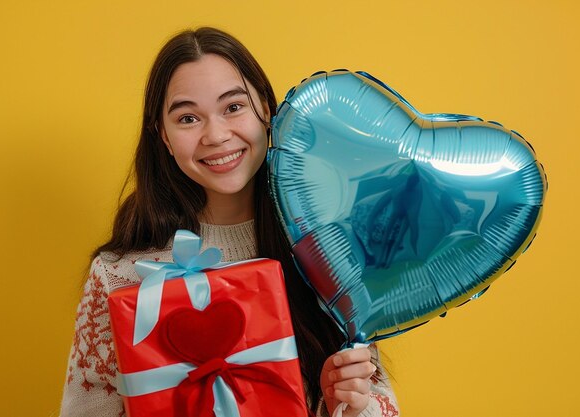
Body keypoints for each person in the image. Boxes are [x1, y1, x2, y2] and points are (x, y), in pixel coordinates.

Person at [60, 27, 399, 417]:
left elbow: (379, 405)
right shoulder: (120, 274)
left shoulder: (328, 254)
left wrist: (339, 405)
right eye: (188, 118)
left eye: (234, 107)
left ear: (267, 109)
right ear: (164, 138)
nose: (217, 135)